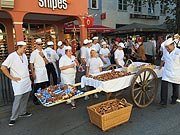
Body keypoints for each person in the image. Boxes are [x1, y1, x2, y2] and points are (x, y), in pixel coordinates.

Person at [1, 41, 32, 126]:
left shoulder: (24, 56)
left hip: (26, 80)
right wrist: (12, 77)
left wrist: (29, 78)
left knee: (25, 97)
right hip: (18, 81)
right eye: (24, 48)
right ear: (19, 47)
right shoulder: (12, 56)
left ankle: (23, 112)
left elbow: (25, 67)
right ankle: (13, 118)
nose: (25, 50)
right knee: (18, 99)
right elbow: (3, 67)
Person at [159, 38, 180, 105]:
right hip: (167, 71)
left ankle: (174, 98)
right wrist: (160, 67)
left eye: (168, 47)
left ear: (172, 45)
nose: (167, 49)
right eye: (166, 48)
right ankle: (163, 100)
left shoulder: (178, 52)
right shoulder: (165, 51)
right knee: (164, 85)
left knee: (175, 86)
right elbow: (163, 59)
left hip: (176, 71)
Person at [30, 38, 49, 105]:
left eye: (41, 44)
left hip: (43, 70)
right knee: (37, 86)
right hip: (37, 70)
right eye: (39, 44)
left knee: (44, 85)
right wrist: (33, 73)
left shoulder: (44, 52)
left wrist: (43, 56)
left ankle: (43, 98)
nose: (40, 45)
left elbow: (47, 62)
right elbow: (31, 63)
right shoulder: (33, 53)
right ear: (36, 45)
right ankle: (35, 100)